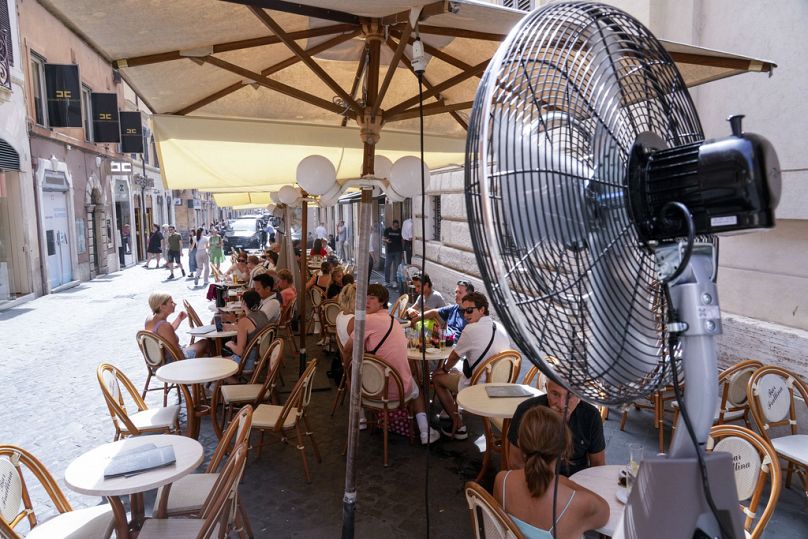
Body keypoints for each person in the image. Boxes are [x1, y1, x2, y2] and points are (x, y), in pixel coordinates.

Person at [344, 284, 440, 444]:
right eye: (365, 297)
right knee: (415, 386)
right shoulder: (393, 321)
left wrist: (346, 369)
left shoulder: (366, 320)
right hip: (400, 390)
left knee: (353, 373)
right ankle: (425, 432)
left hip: (374, 391)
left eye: (372, 298)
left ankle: (360, 419)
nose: (366, 301)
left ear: (381, 302)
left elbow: (348, 349)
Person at [494, 406, 610, 539]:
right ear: (563, 452)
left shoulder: (502, 480)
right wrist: (566, 482)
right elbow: (605, 511)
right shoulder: (576, 504)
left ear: (520, 444)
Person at [432, 291, 511, 439]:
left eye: (469, 310)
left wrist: (443, 369)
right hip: (498, 383)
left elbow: (455, 355)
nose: (465, 315)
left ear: (482, 310)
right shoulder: (499, 327)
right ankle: (453, 410)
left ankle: (459, 425)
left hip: (478, 385)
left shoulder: (470, 329)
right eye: (463, 311)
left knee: (437, 378)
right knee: (455, 370)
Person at [507, 379, 606, 476]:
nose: (562, 404)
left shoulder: (591, 416)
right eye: (555, 394)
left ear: (580, 394)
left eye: (570, 395)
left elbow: (598, 464)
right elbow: (516, 463)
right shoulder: (526, 411)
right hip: (535, 481)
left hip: (578, 481)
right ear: (546, 388)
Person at [145, 292, 208, 358]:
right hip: (173, 362)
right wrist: (186, 364)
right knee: (207, 343)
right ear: (162, 306)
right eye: (171, 302)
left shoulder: (149, 319)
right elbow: (178, 352)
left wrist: (179, 319)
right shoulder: (164, 326)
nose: (175, 304)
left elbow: (165, 334)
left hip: (159, 361)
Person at [223, 290, 269, 373]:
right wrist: (235, 327)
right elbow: (252, 330)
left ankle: (235, 383)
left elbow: (240, 352)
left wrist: (231, 345)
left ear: (243, 302)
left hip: (247, 362)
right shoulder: (263, 314)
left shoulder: (244, 321)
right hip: (263, 359)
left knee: (215, 364)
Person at [382, 220, 403, 287]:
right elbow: (383, 238)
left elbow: (402, 241)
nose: (396, 228)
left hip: (398, 251)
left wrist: (402, 251)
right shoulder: (387, 230)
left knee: (396, 267)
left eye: (397, 226)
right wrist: (386, 240)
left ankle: (395, 281)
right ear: (392, 225)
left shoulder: (400, 231)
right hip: (389, 251)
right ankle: (386, 281)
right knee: (387, 266)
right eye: (395, 226)